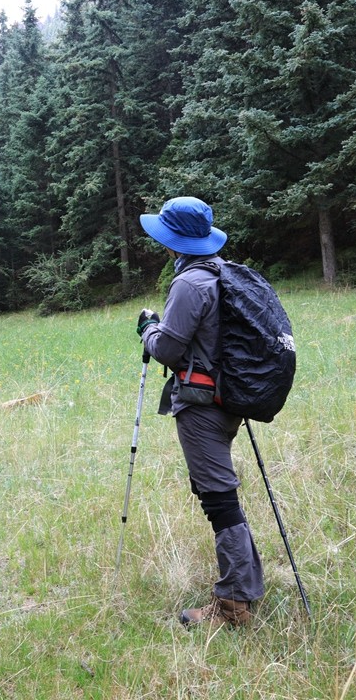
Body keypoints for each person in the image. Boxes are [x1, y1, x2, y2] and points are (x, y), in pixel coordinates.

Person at [135, 196, 264, 627]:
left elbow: (169, 349)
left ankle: (232, 607)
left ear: (174, 242)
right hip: (228, 401)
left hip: (200, 405)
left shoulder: (190, 284)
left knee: (219, 501)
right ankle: (244, 588)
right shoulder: (224, 273)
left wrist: (149, 329)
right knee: (223, 495)